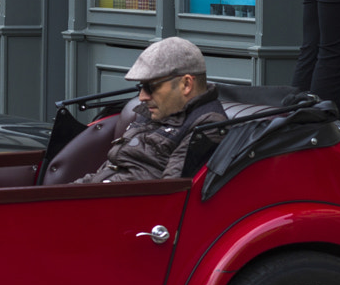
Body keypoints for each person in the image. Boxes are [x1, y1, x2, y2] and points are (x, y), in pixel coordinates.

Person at [74, 37, 228, 184]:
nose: (142, 97)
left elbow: (170, 195)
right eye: (141, 87)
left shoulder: (207, 124)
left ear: (186, 84)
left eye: (151, 87)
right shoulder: (156, 111)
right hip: (99, 194)